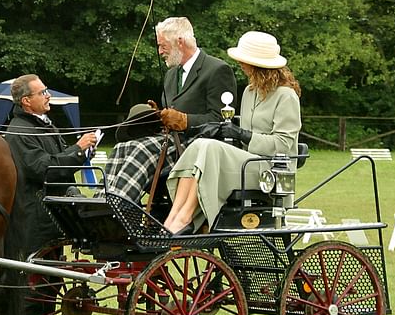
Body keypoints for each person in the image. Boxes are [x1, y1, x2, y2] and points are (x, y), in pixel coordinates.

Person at [163, 31, 302, 234]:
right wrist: (223, 131)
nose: (240, 64)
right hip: (248, 163)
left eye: (243, 60)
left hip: (271, 170)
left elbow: (283, 145)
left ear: (257, 64)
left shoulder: (286, 96)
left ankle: (186, 217)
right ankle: (174, 217)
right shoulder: (250, 92)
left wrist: (242, 134)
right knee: (200, 143)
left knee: (209, 147)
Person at [4, 74, 98, 315]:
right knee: (35, 284)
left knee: (51, 283)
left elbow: (58, 166)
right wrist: (78, 150)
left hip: (53, 215)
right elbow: (44, 169)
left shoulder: (42, 124)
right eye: (42, 92)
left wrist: (80, 153)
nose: (48, 96)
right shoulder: (19, 131)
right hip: (34, 216)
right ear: (26, 101)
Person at [104, 16, 237, 204]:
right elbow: (171, 113)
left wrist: (184, 120)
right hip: (169, 141)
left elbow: (221, 121)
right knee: (122, 147)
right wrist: (157, 115)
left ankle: (117, 206)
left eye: (162, 46)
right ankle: (100, 203)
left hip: (197, 146)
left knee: (140, 149)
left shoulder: (217, 70)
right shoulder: (171, 75)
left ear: (180, 42)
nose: (160, 52)